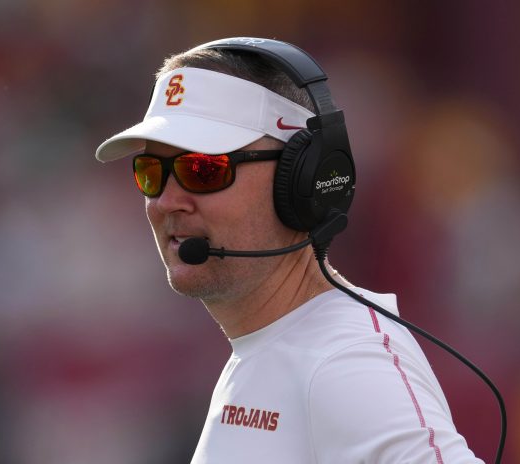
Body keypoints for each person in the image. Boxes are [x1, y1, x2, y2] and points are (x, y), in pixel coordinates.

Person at [95, 37, 483, 463]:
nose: (165, 201)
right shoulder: (277, 348)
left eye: (203, 169)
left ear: (301, 180)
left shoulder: (346, 361)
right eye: (151, 172)